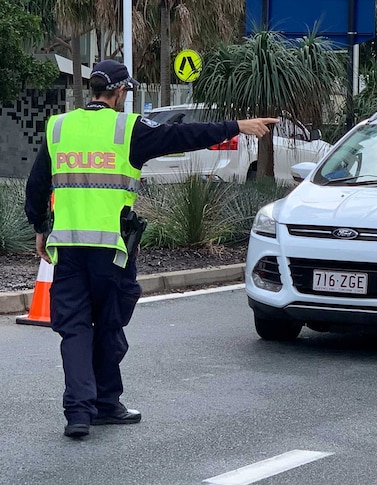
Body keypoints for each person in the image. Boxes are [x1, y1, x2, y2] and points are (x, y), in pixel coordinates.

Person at [24, 59, 278, 439]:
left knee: (75, 329)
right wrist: (239, 126)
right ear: (121, 92)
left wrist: (41, 228)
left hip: (70, 250)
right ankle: (106, 403)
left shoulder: (60, 127)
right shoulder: (129, 129)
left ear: (93, 89)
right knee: (108, 326)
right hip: (112, 250)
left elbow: (37, 183)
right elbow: (184, 135)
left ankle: (79, 413)